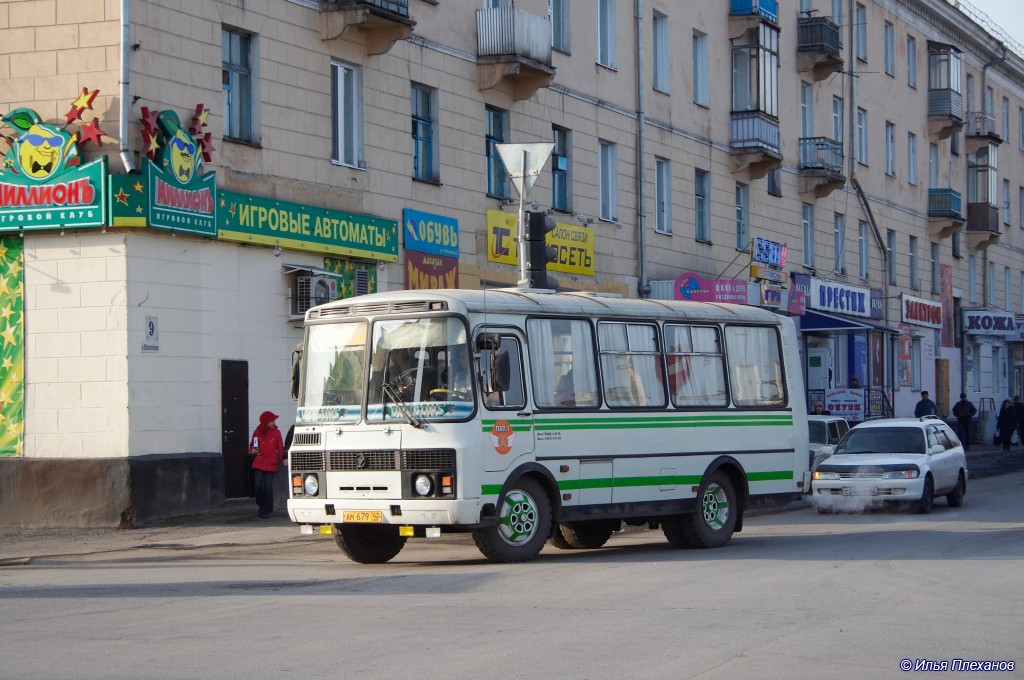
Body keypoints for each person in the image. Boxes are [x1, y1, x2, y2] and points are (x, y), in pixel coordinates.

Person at [249, 410, 286, 519]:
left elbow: (280, 447)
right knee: (258, 487)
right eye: (271, 421)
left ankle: (265, 510)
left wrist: (283, 458)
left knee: (268, 488)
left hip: (271, 462)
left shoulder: (276, 432)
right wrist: (253, 451)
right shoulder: (257, 432)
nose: (273, 422)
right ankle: (261, 506)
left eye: (274, 421)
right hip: (259, 462)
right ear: (265, 422)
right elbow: (253, 446)